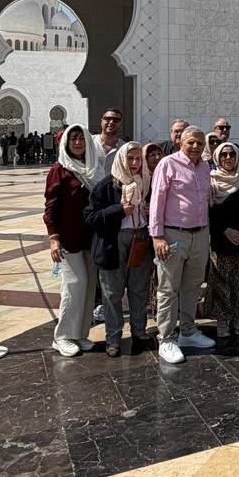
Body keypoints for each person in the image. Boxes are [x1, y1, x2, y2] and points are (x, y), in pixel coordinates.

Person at [149, 125, 215, 363]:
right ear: (181, 143)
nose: (196, 146)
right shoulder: (168, 164)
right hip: (173, 236)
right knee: (168, 288)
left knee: (193, 285)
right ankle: (166, 338)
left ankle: (188, 330)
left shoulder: (205, 167)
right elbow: (157, 199)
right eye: (191, 143)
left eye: (199, 142)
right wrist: (157, 236)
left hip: (200, 234)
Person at [85, 141, 151, 357]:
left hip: (140, 239)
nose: (134, 163)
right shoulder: (107, 186)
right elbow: (90, 217)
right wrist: (119, 210)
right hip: (114, 243)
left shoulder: (146, 183)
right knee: (112, 293)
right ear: (121, 159)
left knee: (139, 289)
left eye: (138, 159)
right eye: (130, 158)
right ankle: (113, 338)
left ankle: (139, 332)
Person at [44, 125, 99, 357]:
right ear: (66, 143)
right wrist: (53, 238)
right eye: (73, 138)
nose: (77, 142)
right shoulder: (60, 170)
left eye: (81, 138)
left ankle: (80, 334)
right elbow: (51, 207)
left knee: (88, 287)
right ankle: (63, 336)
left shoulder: (93, 169)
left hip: (90, 238)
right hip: (69, 239)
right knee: (74, 285)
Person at [206, 143, 239, 339]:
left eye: (232, 154)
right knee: (221, 282)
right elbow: (209, 213)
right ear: (217, 158)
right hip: (221, 239)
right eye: (224, 154)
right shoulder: (212, 181)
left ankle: (238, 317)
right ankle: (222, 320)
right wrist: (225, 231)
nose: (228, 158)